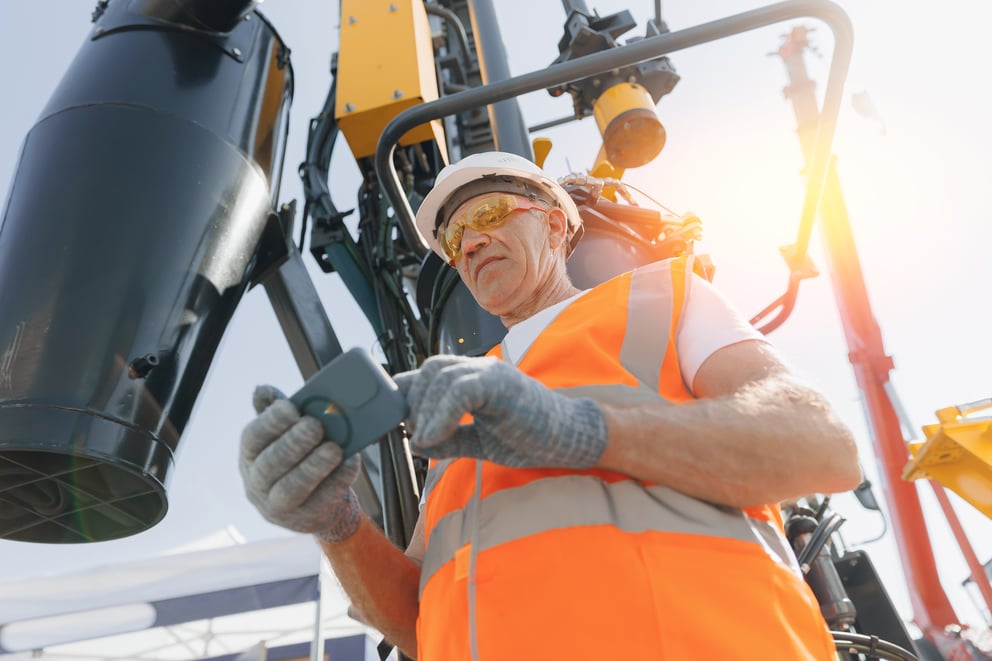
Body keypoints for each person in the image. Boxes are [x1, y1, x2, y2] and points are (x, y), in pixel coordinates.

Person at [239, 151, 862, 660]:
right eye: (455, 237)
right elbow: (420, 620)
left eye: (487, 214)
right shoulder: (465, 395)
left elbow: (822, 445)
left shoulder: (663, 296)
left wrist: (579, 429)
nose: (470, 245)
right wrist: (336, 523)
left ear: (558, 224)